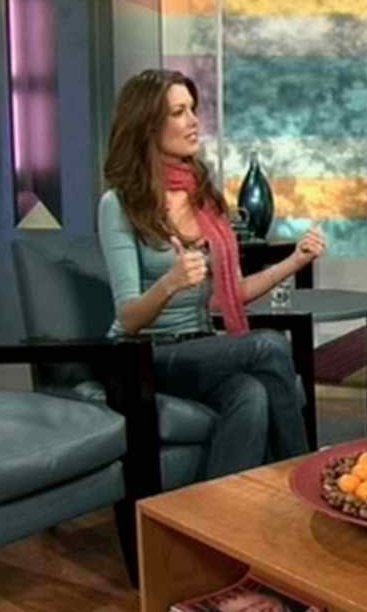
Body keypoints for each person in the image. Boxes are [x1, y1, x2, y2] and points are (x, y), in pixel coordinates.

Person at [99, 68, 325, 476]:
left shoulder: (204, 199)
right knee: (268, 344)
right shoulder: (119, 204)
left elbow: (232, 293)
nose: (192, 121)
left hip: (200, 346)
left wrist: (295, 261)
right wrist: (170, 283)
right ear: (148, 124)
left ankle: (214, 510)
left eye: (192, 109)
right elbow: (128, 317)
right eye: (178, 112)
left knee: (250, 394)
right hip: (143, 355)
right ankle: (305, 475)